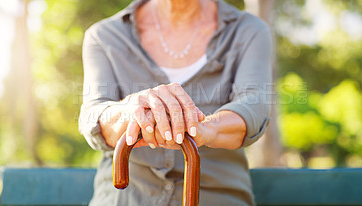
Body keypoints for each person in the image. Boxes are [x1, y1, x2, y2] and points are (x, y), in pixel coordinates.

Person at [79, 0, 272, 205]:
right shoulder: (104, 36)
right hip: (125, 198)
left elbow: (254, 105)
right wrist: (131, 111)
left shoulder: (248, 30)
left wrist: (205, 128)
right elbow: (94, 115)